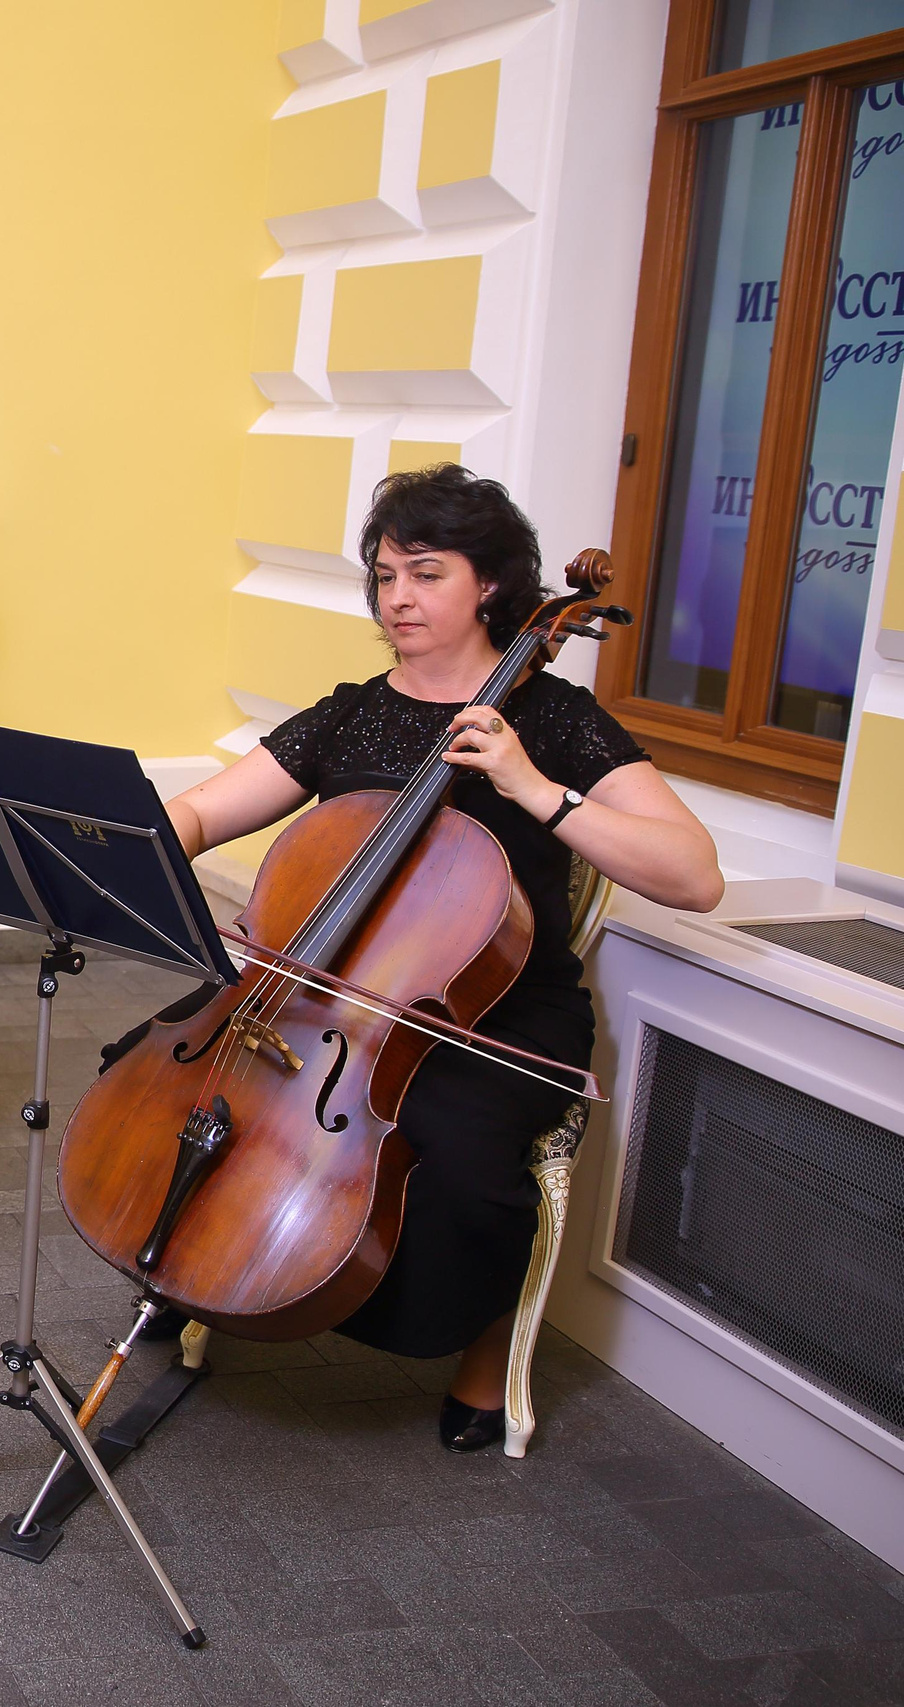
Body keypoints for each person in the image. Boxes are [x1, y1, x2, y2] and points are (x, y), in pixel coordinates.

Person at [152, 464, 723, 1452]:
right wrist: (145, 834)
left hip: (490, 1013)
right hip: (330, 993)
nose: (397, 600)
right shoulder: (350, 712)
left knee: (459, 1156)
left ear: (492, 586)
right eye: (382, 577)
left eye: (424, 574)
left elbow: (693, 876)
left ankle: (475, 1340)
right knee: (190, 1091)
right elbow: (207, 808)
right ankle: (213, 1269)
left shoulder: (551, 721)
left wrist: (535, 787)